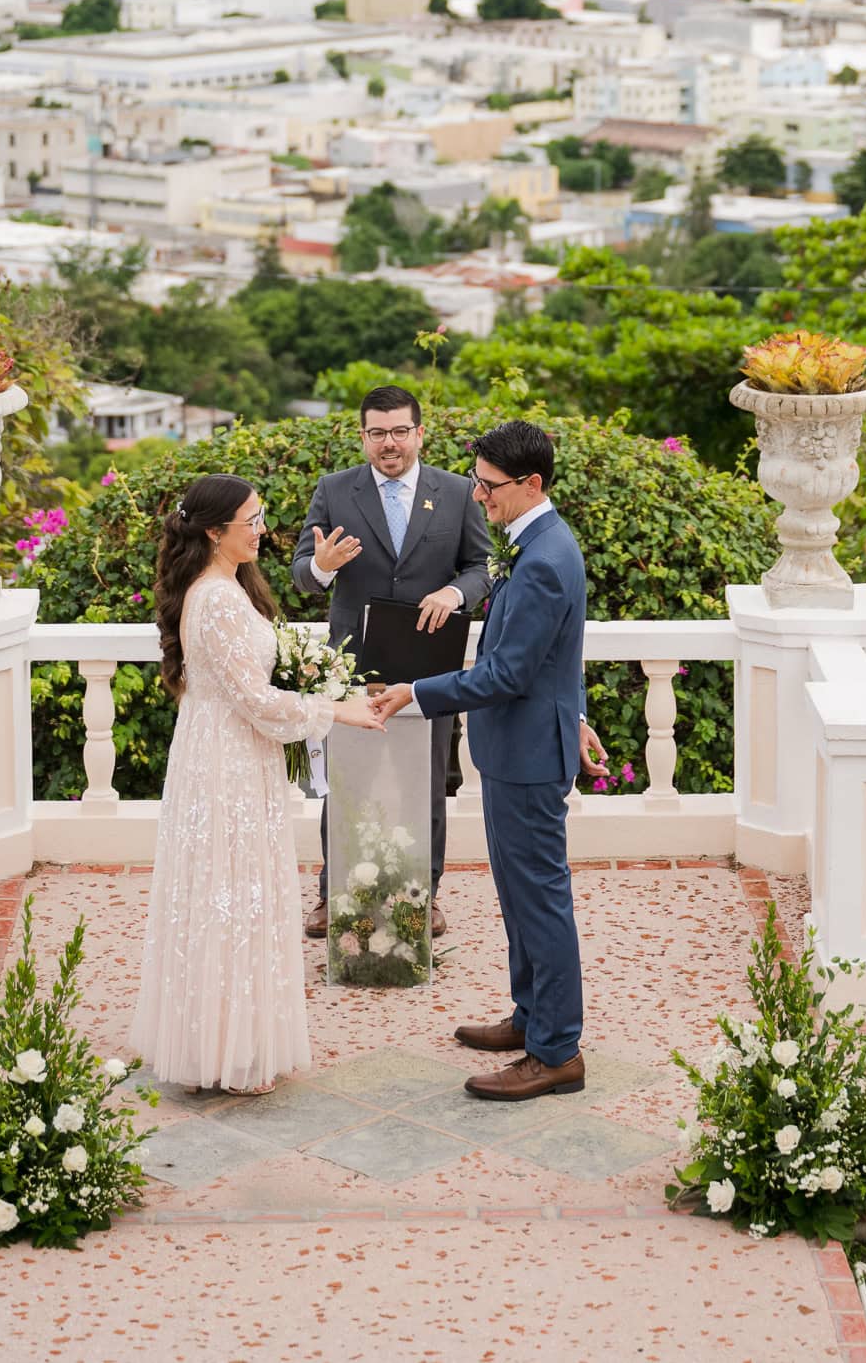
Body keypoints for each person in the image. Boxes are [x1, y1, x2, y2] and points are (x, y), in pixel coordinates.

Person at [132, 473, 386, 1095]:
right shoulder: (217, 598)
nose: (263, 529)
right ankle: (229, 1055)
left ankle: (219, 1044)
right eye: (252, 520)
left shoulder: (224, 587)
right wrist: (339, 708)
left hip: (230, 752)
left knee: (229, 894)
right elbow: (255, 700)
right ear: (216, 532)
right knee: (233, 895)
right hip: (228, 764)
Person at [378, 420, 606, 1103]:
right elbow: (559, 650)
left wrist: (414, 690)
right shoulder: (535, 541)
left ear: (531, 483)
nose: (477, 496)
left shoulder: (542, 558)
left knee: (540, 900)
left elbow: (505, 673)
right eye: (476, 481)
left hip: (528, 754)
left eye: (487, 485)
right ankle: (531, 1017)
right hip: (524, 745)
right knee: (519, 895)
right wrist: (580, 710)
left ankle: (557, 1050)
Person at [293, 383, 492, 941]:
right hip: (352, 668)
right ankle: (333, 893)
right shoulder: (334, 491)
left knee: (426, 784)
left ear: (419, 433)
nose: (390, 443)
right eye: (378, 432)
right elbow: (300, 571)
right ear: (363, 437)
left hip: (428, 665)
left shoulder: (455, 492)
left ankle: (423, 896)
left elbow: (482, 565)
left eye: (400, 431)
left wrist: (456, 594)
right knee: (347, 783)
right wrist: (325, 568)